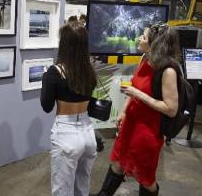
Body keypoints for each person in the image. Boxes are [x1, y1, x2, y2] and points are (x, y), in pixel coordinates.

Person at [91, 23, 180, 196]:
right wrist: (124, 111)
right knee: (118, 162)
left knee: (145, 178)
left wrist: (137, 94)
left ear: (156, 43)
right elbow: (134, 87)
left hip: (147, 130)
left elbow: (171, 109)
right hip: (131, 123)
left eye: (144, 37)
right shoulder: (145, 59)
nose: (139, 38)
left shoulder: (168, 70)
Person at [40, 21, 97, 196]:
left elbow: (46, 106)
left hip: (66, 134)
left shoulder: (54, 72)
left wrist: (45, 79)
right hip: (88, 133)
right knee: (83, 186)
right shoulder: (89, 70)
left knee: (62, 190)